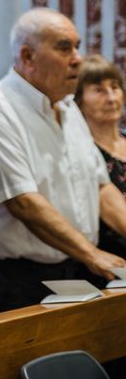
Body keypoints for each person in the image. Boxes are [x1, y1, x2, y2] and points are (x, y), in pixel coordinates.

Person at [0, 8, 126, 313]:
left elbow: (101, 188)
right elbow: (24, 202)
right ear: (28, 57)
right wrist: (92, 253)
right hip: (18, 279)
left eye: (77, 46)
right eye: (64, 47)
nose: (77, 58)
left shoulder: (68, 107)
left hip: (74, 270)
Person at [75, 55, 126, 258]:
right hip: (108, 263)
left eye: (114, 87)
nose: (111, 98)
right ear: (79, 101)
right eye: (98, 90)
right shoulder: (81, 150)